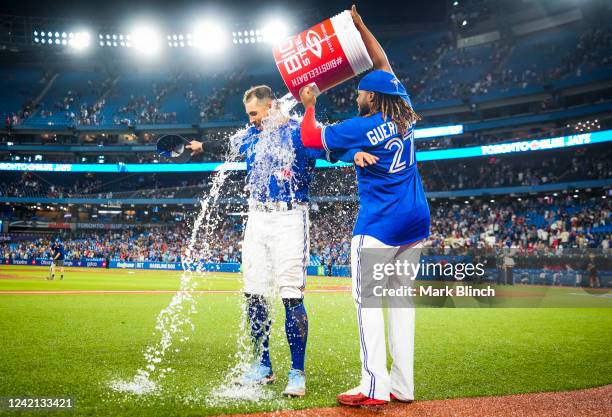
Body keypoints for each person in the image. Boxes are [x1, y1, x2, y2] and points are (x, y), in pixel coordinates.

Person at [187, 85, 374, 397]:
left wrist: (353, 153)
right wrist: (201, 145)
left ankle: (297, 372)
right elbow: (226, 146)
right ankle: (263, 365)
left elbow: (329, 147)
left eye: (254, 114)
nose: (251, 120)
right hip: (256, 218)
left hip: (290, 217)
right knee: (254, 293)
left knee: (291, 296)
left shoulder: (299, 132)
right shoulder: (250, 135)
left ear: (271, 106)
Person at [298, 5, 430, 407]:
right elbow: (382, 60)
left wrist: (309, 104)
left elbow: (309, 140)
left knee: (368, 303)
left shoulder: (360, 125)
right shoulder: (402, 108)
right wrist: (360, 25)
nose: (356, 95)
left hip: (379, 225)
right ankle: (402, 387)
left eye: (359, 91)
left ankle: (373, 387)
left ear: (371, 96)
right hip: (416, 224)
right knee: (401, 304)